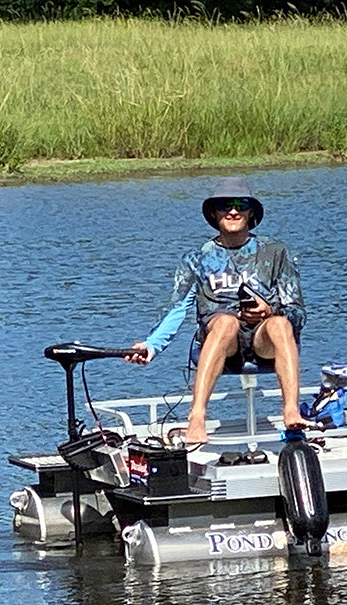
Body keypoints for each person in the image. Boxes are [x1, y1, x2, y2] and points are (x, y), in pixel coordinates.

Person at [126, 177, 307, 443]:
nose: (232, 211)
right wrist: (152, 346)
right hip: (222, 342)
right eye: (224, 206)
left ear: (251, 212)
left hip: (264, 340)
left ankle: (290, 409)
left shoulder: (275, 253)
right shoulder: (196, 259)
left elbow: (298, 313)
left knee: (280, 324)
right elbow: (177, 309)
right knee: (225, 322)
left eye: (240, 204)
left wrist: (268, 312)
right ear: (214, 213)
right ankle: (197, 416)